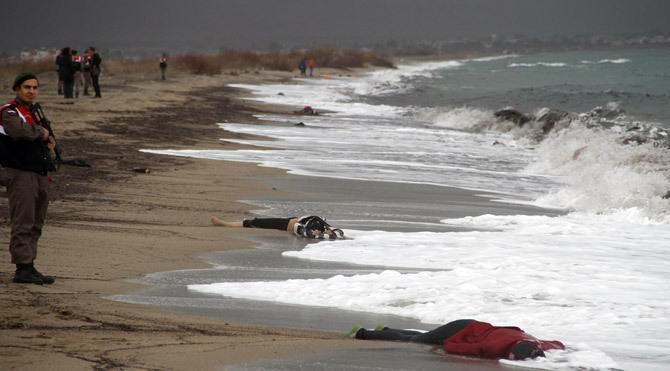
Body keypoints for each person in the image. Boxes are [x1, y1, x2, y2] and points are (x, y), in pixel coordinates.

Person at [0, 72, 57, 285]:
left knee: (36, 222)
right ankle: (22, 268)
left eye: (34, 87)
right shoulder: (10, 111)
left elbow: (39, 142)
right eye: (26, 87)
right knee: (23, 222)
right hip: (21, 173)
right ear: (17, 89)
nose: (31, 91)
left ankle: (29, 265)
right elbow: (18, 132)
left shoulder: (34, 113)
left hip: (40, 174)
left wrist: (49, 148)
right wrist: (41, 133)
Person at [348, 319, 565, 361]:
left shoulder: (534, 341)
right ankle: (362, 333)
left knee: (426, 336)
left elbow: (556, 344)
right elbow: (454, 347)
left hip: (470, 325)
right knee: (415, 340)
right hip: (461, 331)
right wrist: (444, 349)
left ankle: (385, 329)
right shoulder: (494, 348)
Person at [211, 215, 344, 239]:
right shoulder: (327, 227)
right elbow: (339, 232)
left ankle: (225, 224)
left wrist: (315, 234)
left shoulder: (311, 230)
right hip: (292, 219)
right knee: (257, 222)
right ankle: (248, 223)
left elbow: (299, 229)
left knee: (257, 222)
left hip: (287, 224)